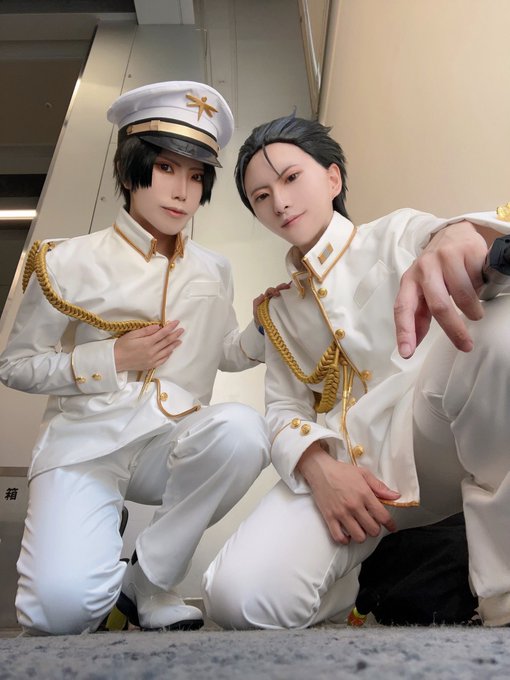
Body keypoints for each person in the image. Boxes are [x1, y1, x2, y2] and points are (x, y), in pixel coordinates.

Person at [203, 114, 510, 629]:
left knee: (498, 329)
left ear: (333, 178)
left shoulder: (396, 233)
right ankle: (349, 587)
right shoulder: (278, 312)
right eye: (260, 196)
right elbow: (282, 409)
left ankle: (503, 591)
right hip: (350, 474)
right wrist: (319, 469)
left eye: (291, 178)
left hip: (432, 440)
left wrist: (461, 232)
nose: (279, 202)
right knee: (238, 598)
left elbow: (452, 241)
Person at [0, 81, 271, 635]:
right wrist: (112, 357)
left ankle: (147, 582)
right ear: (129, 171)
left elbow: (223, 352)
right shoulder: (64, 260)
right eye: (166, 168)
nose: (182, 191)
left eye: (195, 176)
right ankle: (99, 545)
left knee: (244, 431)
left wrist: (268, 325)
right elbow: (15, 364)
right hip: (85, 444)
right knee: (60, 613)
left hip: (168, 442)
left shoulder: (214, 268)